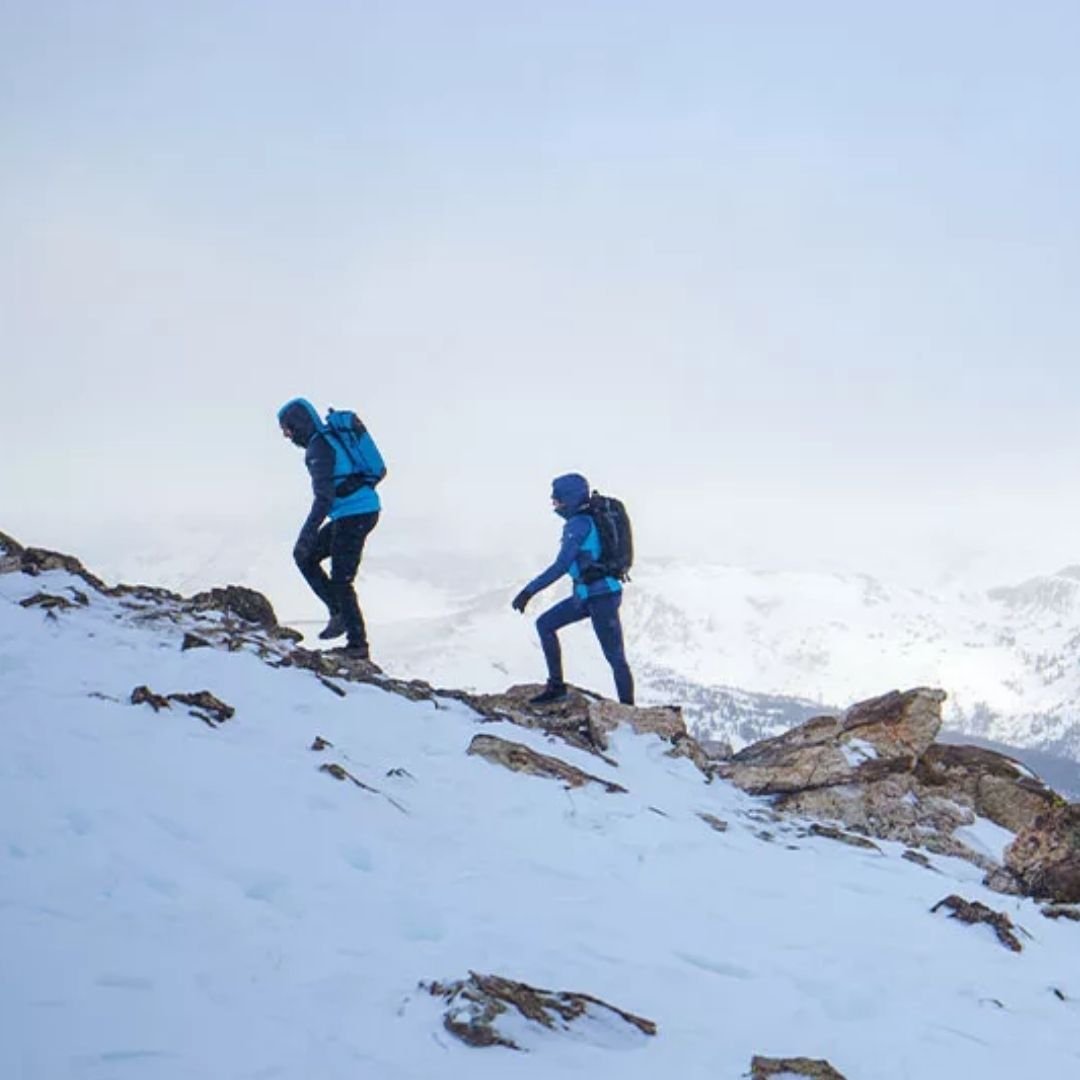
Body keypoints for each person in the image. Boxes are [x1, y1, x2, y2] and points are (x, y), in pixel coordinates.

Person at [511, 473, 634, 705]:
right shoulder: (587, 519)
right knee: (545, 624)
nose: (553, 501)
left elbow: (561, 566)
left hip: (600, 597)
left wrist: (528, 592)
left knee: (615, 657)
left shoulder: (578, 525)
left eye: (557, 497)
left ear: (569, 498)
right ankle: (557, 686)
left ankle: (628, 711)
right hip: (591, 595)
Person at [277, 397, 383, 660]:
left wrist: (307, 533)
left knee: (340, 579)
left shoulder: (319, 448)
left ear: (299, 423)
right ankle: (339, 614)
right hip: (358, 511)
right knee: (306, 557)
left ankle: (357, 646)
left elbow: (323, 498)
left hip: (355, 514)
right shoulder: (325, 440)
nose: (287, 436)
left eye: (287, 429)